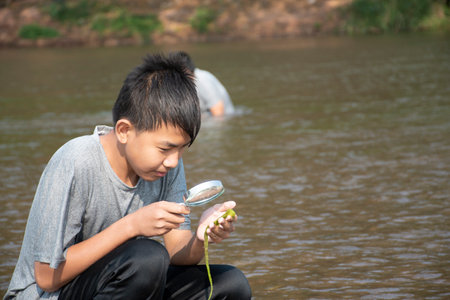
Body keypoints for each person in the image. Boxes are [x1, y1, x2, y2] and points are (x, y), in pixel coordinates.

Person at [4, 52, 251, 300]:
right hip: (49, 294)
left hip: (123, 282)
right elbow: (47, 277)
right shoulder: (75, 161)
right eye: (165, 149)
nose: (174, 160)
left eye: (181, 149)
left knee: (230, 284)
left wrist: (200, 237)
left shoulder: (168, 165)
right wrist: (132, 226)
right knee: (148, 258)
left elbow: (177, 250)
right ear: (124, 131)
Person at [179, 52, 235, 117]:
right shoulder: (191, 81)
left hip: (223, 119)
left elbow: (218, 112)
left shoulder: (202, 79)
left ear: (186, 70)